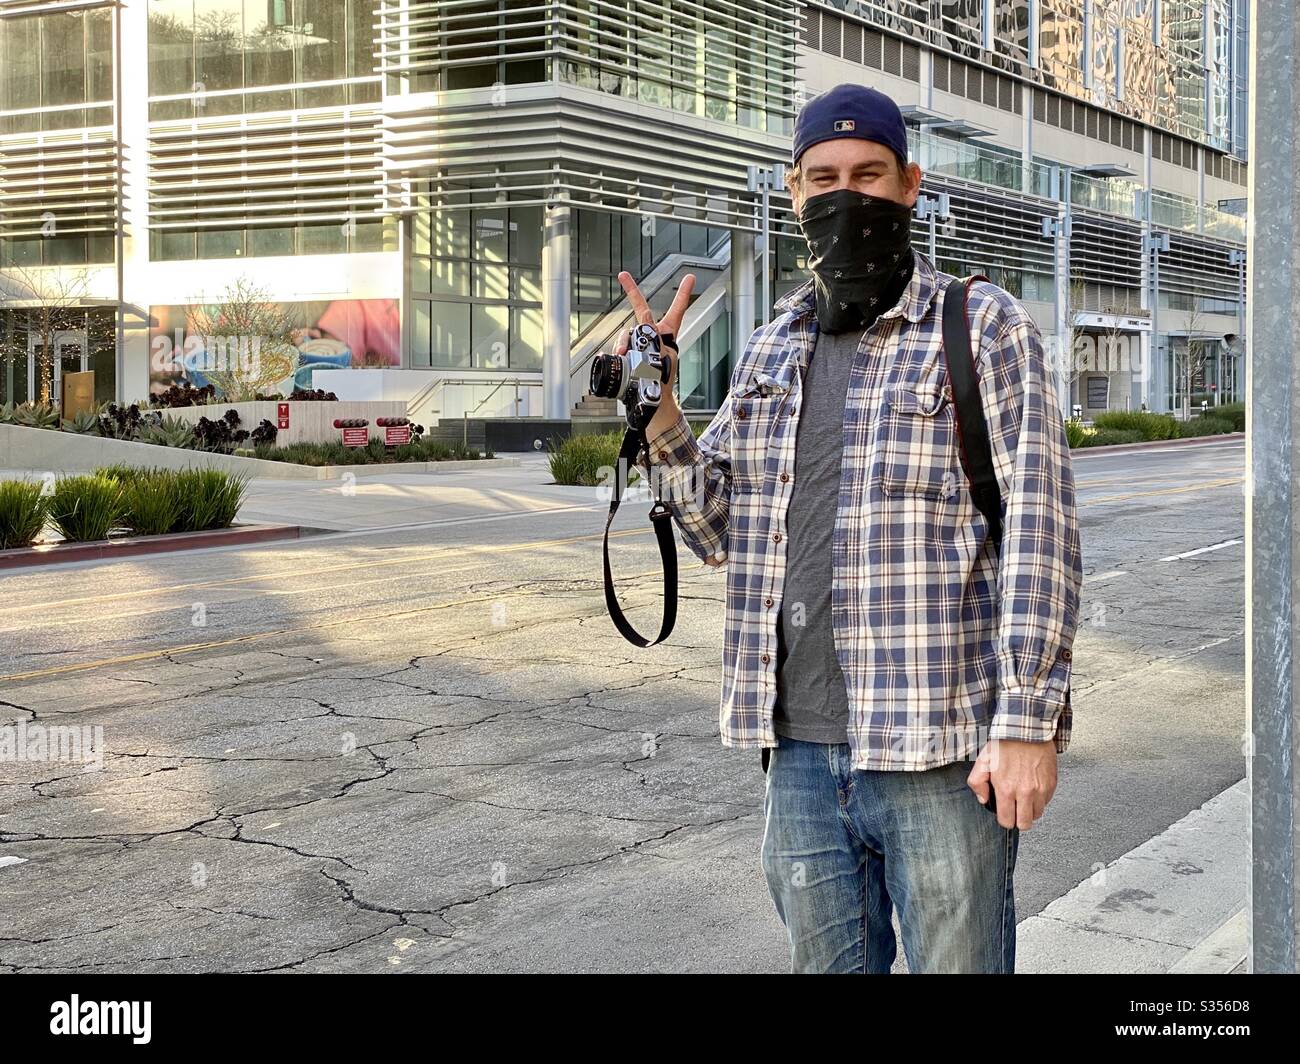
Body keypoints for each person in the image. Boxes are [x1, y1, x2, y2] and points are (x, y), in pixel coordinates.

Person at [619, 83, 1082, 973]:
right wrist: (661, 403)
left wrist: (1027, 722)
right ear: (794, 193)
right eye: (823, 177)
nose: (847, 195)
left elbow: (1042, 534)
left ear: (910, 185)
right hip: (796, 754)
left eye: (869, 174)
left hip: (941, 754)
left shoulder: (982, 327)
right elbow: (718, 532)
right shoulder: (770, 347)